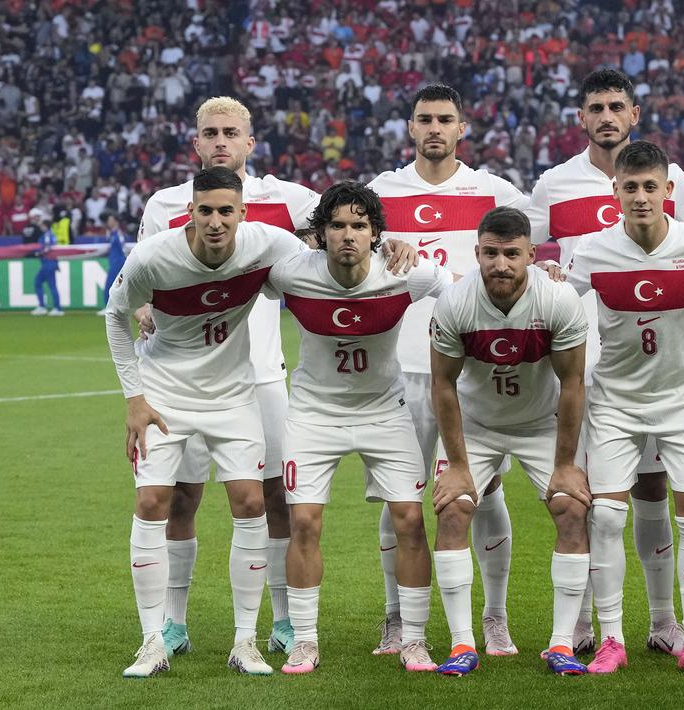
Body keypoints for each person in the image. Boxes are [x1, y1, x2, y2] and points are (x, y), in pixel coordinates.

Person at [526, 69, 684, 656]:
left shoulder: (673, 179)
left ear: (634, 114)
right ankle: (585, 624)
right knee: (592, 499)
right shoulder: (554, 184)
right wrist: (544, 273)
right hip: (585, 366)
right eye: (596, 107)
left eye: (616, 106)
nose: (606, 116)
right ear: (581, 117)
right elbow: (528, 253)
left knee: (653, 489)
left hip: (653, 359)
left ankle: (663, 622)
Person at [104, 166, 307, 678]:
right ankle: (152, 642)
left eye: (225, 212)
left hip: (233, 396)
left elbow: (322, 266)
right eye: (206, 211)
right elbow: (114, 315)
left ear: (242, 213)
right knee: (153, 502)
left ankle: (246, 642)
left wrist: (391, 249)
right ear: (190, 212)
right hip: (165, 395)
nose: (216, 222)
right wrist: (134, 399)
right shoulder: (154, 257)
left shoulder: (268, 244)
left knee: (251, 501)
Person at [138, 96, 320, 658]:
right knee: (180, 499)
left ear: (250, 141)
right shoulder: (167, 204)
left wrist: (324, 243)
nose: (221, 141)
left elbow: (347, 223)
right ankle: (173, 623)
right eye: (211, 133)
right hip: (183, 380)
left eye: (231, 133)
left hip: (261, 375)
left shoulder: (287, 200)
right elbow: (142, 279)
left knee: (273, 497)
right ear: (196, 143)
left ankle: (282, 619)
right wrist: (144, 309)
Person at [366, 84, 529, 657]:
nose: (434, 128)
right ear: (410, 127)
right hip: (402, 366)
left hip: (473, 369)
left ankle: (495, 617)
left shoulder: (496, 192)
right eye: (424, 119)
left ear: (462, 128)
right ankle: (395, 617)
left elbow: (531, 261)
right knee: (401, 495)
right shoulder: (380, 194)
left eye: (445, 119)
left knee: (484, 490)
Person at [265, 183, 452, 675]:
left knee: (409, 520)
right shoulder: (290, 272)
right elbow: (236, 280)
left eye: (359, 225)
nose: (348, 235)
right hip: (313, 415)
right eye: (337, 225)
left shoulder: (406, 273)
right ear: (320, 233)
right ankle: (305, 641)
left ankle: (413, 639)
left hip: (385, 413)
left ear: (375, 234)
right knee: (304, 523)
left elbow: (461, 291)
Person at [564, 140, 684, 676]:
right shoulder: (593, 249)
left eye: (650, 187)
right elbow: (559, 302)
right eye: (630, 187)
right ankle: (612, 638)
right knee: (607, 516)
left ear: (668, 189)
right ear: (615, 191)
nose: (640, 197)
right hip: (614, 401)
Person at [428, 207, 590, 677]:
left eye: (512, 254)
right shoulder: (455, 302)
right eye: (491, 253)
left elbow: (573, 382)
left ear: (532, 254)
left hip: (541, 423)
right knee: (452, 509)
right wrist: (458, 467)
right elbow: (442, 384)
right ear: (477, 252)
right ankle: (462, 643)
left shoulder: (557, 298)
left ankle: (562, 644)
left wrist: (565, 465)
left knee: (572, 509)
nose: (501, 264)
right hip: (477, 424)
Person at [31, 209, 63, 316]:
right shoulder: (50, 234)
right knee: (45, 284)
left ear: (45, 226)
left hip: (48, 263)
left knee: (42, 283)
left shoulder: (47, 235)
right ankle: (53, 307)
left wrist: (39, 253)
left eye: (42, 225)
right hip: (50, 263)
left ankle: (50, 307)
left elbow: (49, 248)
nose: (41, 227)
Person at [97, 212, 128, 316]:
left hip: (118, 263)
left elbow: (123, 248)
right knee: (115, 286)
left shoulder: (118, 234)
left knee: (109, 285)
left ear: (115, 221)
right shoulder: (111, 233)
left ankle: (108, 308)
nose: (108, 222)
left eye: (110, 220)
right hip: (114, 262)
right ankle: (115, 308)